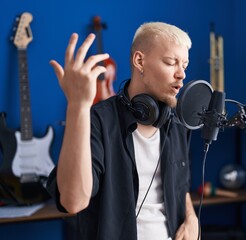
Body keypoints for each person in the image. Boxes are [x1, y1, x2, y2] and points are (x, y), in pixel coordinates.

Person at [46, 22, 199, 240]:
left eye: (185, 64)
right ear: (140, 61)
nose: (181, 74)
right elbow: (73, 202)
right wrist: (77, 105)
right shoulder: (98, 121)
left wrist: (191, 218)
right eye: (171, 62)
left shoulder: (176, 124)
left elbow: (181, 187)